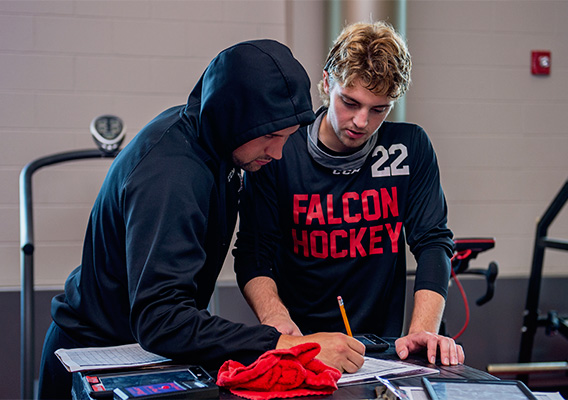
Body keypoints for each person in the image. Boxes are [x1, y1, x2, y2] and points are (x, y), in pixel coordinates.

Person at [38, 39, 365, 400]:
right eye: (270, 136)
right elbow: (160, 318)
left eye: (286, 137)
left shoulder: (214, 141)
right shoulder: (172, 174)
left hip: (143, 353)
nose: (277, 152)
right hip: (96, 357)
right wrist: (282, 345)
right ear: (232, 119)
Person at [234, 22, 465, 367]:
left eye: (378, 109)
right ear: (327, 83)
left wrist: (422, 331)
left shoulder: (409, 147)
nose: (361, 122)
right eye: (350, 102)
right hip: (304, 345)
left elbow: (433, 241)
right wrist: (277, 323)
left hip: (383, 348)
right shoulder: (281, 150)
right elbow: (254, 251)